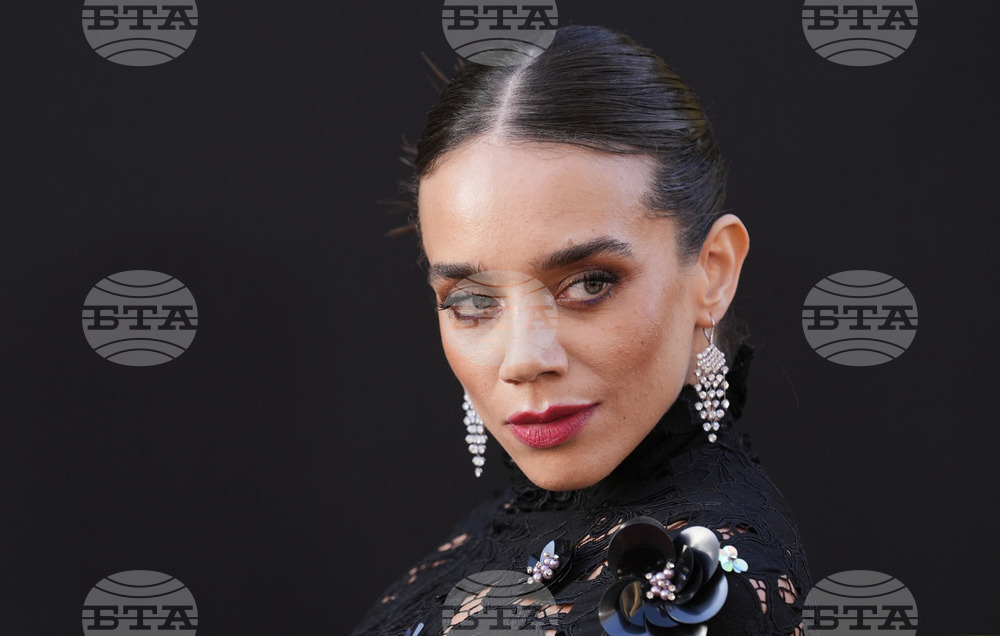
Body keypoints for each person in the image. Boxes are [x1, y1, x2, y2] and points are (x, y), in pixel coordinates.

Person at [352, 24, 811, 636]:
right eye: (472, 301)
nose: (524, 358)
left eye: (590, 283)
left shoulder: (693, 594)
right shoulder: (504, 525)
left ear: (713, 272)